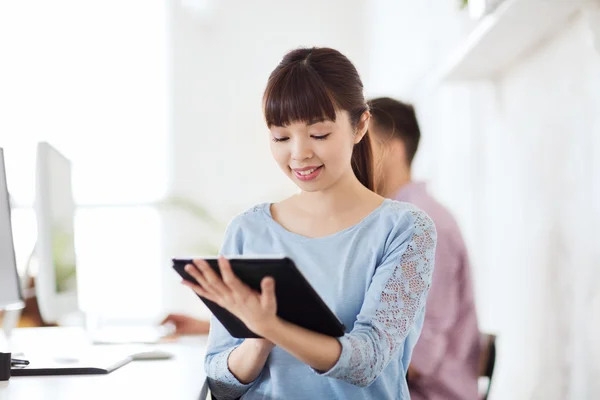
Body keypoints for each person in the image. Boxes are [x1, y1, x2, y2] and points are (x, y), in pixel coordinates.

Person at [178, 48, 437, 399]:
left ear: (360, 126)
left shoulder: (405, 229)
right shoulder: (247, 231)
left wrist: (274, 325)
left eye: (319, 134)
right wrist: (259, 340)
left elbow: (367, 360)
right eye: (281, 137)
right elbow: (221, 385)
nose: (299, 153)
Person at [368, 97, 480, 400]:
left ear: (392, 150)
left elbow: (420, 356)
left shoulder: (422, 224)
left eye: (361, 146)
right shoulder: (389, 220)